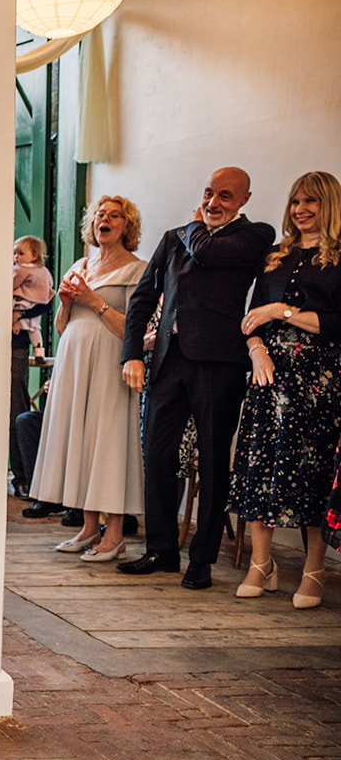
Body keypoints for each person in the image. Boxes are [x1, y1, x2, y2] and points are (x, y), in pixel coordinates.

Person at [118, 167, 276, 589]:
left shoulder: (255, 235)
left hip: (219, 364)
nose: (213, 202)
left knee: (211, 460)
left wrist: (192, 224)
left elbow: (207, 253)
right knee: (158, 456)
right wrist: (131, 354)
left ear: (243, 199)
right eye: (208, 192)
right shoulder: (173, 239)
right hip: (168, 363)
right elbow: (143, 298)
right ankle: (162, 549)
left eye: (225, 195)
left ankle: (202, 559)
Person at [229, 172, 341, 609]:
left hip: (319, 383)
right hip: (268, 377)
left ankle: (314, 570)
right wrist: (256, 349)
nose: (301, 209)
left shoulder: (338, 258)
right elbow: (251, 317)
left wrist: (283, 310)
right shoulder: (275, 255)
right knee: (260, 466)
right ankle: (262, 564)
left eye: (311, 201)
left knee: (312, 474)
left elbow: (335, 324)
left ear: (328, 205)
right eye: (296, 201)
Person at [30, 197, 148, 562]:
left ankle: (114, 536)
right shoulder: (81, 264)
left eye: (114, 215)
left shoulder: (137, 270)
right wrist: (66, 302)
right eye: (100, 214)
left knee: (107, 439)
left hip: (110, 363)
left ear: (127, 226)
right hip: (73, 361)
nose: (105, 220)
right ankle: (87, 527)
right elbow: (61, 327)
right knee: (79, 438)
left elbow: (133, 328)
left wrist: (93, 300)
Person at [10, 236, 55, 497]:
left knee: (17, 406)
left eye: (20, 252)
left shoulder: (37, 274)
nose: (16, 256)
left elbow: (47, 302)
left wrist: (20, 314)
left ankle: (23, 475)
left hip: (16, 343)